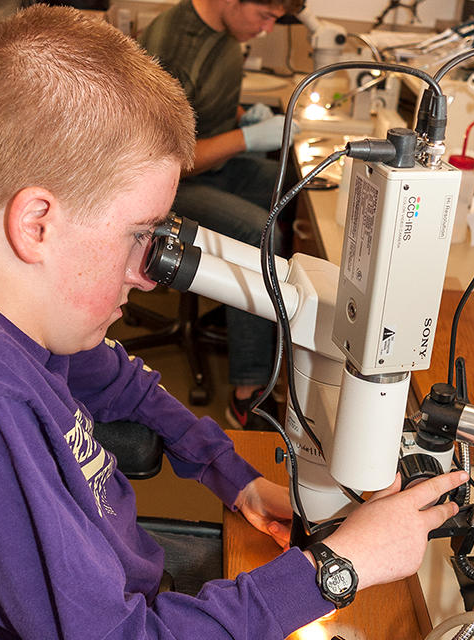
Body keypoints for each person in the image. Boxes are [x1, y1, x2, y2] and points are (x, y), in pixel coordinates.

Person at [0, 4, 467, 640]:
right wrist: (336, 569)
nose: (149, 275)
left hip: (110, 606)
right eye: (138, 235)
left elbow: (123, 384)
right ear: (38, 224)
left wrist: (231, 473)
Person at [139, 0, 301, 431]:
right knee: (256, 231)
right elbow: (162, 157)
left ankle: (257, 316)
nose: (267, 29)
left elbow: (197, 106)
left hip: (212, 166)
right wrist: (245, 137)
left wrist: (240, 117)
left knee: (298, 186)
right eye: (265, 16)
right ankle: (248, 390)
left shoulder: (225, 32)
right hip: (170, 184)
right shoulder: (173, 47)